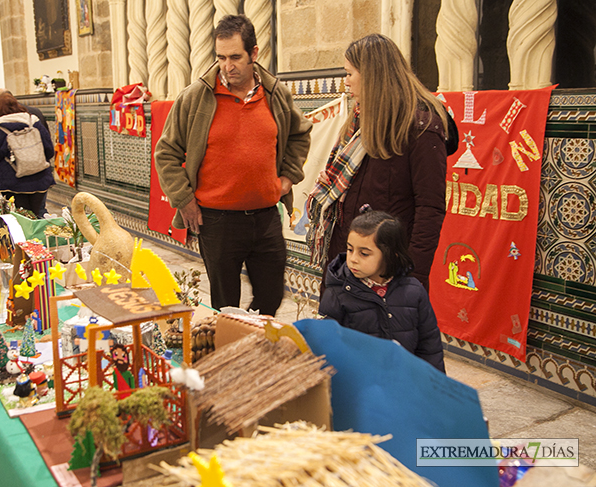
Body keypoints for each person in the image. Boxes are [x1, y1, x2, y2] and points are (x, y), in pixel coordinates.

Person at [154, 15, 312, 316]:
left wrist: (288, 178)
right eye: (221, 57)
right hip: (217, 222)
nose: (228, 66)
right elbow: (167, 153)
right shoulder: (195, 98)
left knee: (271, 296)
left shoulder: (275, 94)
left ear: (253, 53)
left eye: (236, 57)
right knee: (225, 305)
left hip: (266, 217)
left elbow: (300, 134)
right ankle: (232, 349)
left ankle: (253, 340)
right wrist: (184, 200)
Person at [307, 33, 450, 293]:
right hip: (346, 263)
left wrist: (412, 278)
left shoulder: (421, 128)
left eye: (350, 73)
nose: (346, 81)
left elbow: (430, 208)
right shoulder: (361, 118)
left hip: (388, 272)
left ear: (373, 75)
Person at [318, 209, 446, 372]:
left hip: (402, 381)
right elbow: (327, 348)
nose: (353, 259)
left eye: (364, 253)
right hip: (359, 384)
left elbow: (430, 346)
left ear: (390, 255)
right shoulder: (337, 294)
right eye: (350, 249)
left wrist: (435, 385)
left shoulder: (413, 291)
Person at [0, 92, 55, 218]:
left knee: (19, 220)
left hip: (12, 183)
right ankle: (37, 238)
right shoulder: (34, 122)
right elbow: (49, 150)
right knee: (37, 216)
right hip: (40, 180)